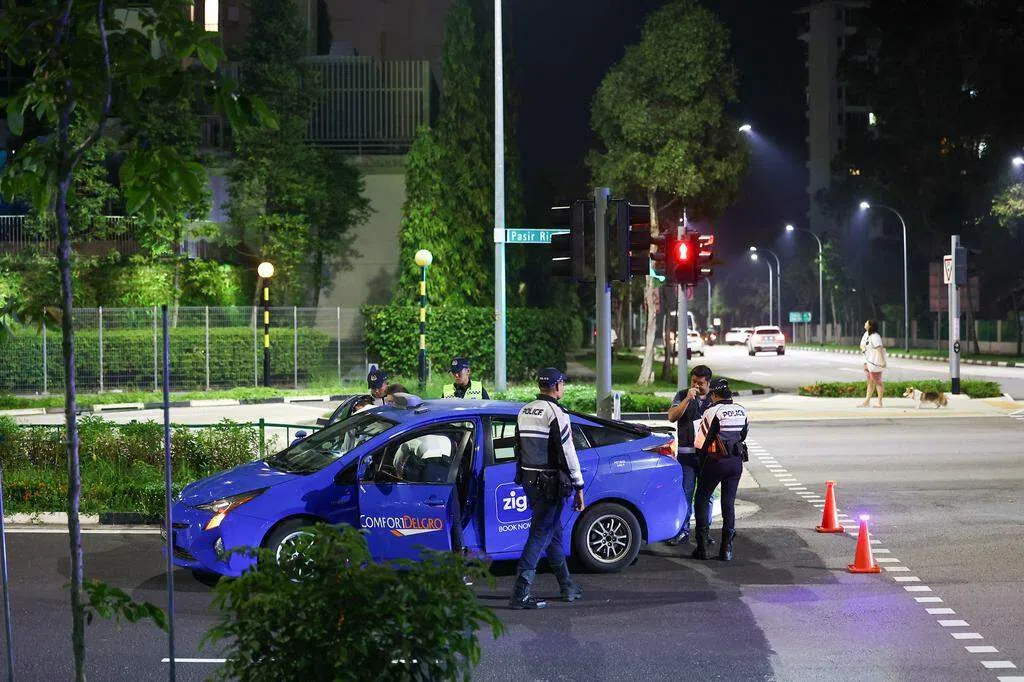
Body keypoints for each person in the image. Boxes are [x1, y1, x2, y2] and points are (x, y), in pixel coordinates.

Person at [509, 367, 586, 610]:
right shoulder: (556, 413)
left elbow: (517, 447)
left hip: (529, 481)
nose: (564, 387)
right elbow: (568, 452)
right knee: (541, 534)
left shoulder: (524, 410)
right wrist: (579, 485)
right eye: (563, 383)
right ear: (557, 385)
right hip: (550, 484)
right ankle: (520, 592)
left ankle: (567, 585)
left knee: (553, 533)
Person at [691, 378, 749, 562]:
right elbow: (743, 435)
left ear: (714, 395)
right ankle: (726, 549)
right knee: (728, 503)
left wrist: (700, 463)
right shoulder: (742, 410)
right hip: (736, 462)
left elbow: (701, 442)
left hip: (715, 461)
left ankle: (702, 548)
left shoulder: (712, 411)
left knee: (702, 498)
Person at [665, 364, 715, 546]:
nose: (696, 385)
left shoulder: (714, 398)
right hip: (686, 455)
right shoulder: (682, 395)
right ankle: (682, 531)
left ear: (708, 383)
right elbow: (672, 417)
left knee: (707, 495)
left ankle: (704, 532)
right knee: (685, 493)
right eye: (694, 381)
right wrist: (687, 399)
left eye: (700, 383)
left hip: (707, 456)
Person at [858, 319, 887, 408]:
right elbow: (862, 345)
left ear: (870, 326)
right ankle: (867, 401)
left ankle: (880, 403)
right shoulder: (866, 334)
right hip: (868, 361)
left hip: (875, 362)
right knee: (870, 382)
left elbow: (879, 349)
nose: (865, 323)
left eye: (866, 323)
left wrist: (882, 361)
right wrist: (864, 351)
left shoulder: (875, 337)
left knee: (877, 382)